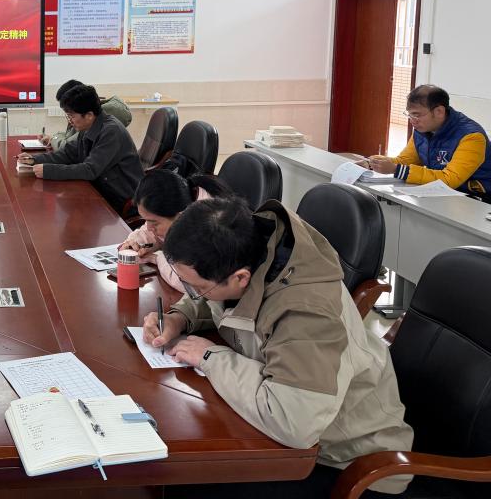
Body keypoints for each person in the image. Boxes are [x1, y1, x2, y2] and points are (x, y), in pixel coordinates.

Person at [143, 197, 413, 498]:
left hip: (348, 461)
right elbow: (221, 300)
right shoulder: (248, 250)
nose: (193, 293)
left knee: (190, 482)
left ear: (241, 277)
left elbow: (293, 423)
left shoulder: (306, 314)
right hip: (297, 435)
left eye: (196, 287)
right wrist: (179, 318)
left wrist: (210, 357)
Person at [20, 84, 142, 214]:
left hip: (121, 200)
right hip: (100, 190)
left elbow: (89, 170)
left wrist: (48, 170)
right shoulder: (88, 126)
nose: (70, 121)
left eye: (72, 116)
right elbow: (68, 154)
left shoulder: (111, 131)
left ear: (89, 115)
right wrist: (34, 159)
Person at [366, 85, 491, 201]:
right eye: (409, 115)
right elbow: (404, 160)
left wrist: (397, 170)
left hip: (479, 200)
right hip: (444, 195)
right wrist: (371, 163)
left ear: (439, 112)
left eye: (416, 115)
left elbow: (450, 179)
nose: (412, 121)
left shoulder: (472, 137)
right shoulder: (422, 130)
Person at [118, 170, 233, 292]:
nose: (149, 228)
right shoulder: (181, 203)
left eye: (154, 223)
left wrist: (157, 258)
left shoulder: (209, 227)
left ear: (180, 216)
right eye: (146, 220)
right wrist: (135, 243)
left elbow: (192, 285)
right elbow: (151, 233)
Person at [42, 79, 133, 150]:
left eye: (71, 114)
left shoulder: (100, 121)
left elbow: (67, 147)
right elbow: (71, 140)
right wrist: (55, 137)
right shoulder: (90, 114)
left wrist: (54, 138)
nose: (70, 119)